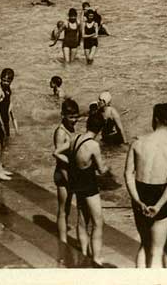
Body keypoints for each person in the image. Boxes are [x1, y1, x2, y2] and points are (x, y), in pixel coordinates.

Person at [124, 102, 167, 268]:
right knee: (157, 250)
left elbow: (128, 174)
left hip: (140, 190)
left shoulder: (138, 143)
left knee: (144, 244)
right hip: (161, 194)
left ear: (155, 119)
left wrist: (137, 201)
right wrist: (158, 205)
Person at [69, 110, 112, 267]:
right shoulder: (93, 145)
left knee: (81, 221)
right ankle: (97, 257)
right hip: (89, 186)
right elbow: (101, 170)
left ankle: (85, 252)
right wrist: (108, 168)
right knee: (98, 222)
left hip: (77, 184)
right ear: (100, 129)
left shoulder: (76, 139)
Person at [52, 98, 81, 245]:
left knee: (68, 209)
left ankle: (63, 238)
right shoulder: (61, 133)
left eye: (76, 117)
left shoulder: (70, 128)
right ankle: (62, 241)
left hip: (69, 172)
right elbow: (59, 157)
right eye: (71, 117)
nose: (75, 120)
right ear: (63, 115)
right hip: (63, 174)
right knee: (63, 209)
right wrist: (69, 179)